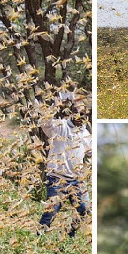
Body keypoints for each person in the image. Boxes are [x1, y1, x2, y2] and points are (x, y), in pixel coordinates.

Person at [37, 94, 91, 238]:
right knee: (51, 211)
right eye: (78, 113)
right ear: (72, 113)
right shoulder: (60, 126)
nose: (81, 116)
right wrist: (56, 105)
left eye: (84, 114)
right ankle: (38, 240)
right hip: (57, 179)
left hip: (77, 180)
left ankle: (68, 235)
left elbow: (90, 151)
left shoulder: (85, 133)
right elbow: (45, 122)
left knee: (86, 211)